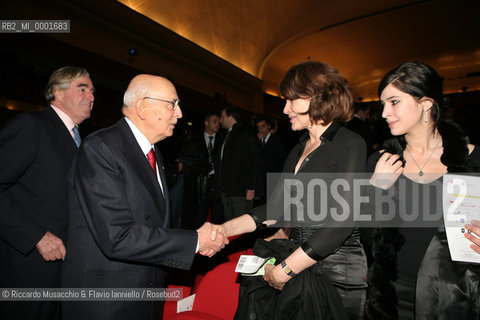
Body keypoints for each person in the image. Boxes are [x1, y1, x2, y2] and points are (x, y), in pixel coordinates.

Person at [61, 74, 227, 320]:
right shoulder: (101, 148)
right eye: (172, 104)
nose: (179, 114)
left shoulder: (153, 153)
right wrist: (194, 241)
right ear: (142, 106)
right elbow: (118, 236)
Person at [213, 61, 368, 319]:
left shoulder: (350, 143)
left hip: (337, 268)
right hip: (299, 259)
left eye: (291, 100)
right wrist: (223, 230)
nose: (285, 109)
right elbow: (275, 208)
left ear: (316, 96)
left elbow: (342, 221)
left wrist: (285, 270)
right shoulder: (298, 148)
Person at [366, 62, 480, 319]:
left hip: (453, 298)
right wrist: (375, 190)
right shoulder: (380, 162)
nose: (384, 113)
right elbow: (365, 238)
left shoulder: (473, 160)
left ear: (426, 104)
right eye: (382, 104)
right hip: (392, 298)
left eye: (394, 102)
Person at [0, 66, 94, 320]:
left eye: (92, 91)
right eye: (82, 89)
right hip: (27, 267)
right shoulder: (32, 126)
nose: (92, 96)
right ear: (57, 92)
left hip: (64, 267)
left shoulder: (81, 142)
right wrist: (35, 236)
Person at [217, 106, 263, 221]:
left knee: (241, 226)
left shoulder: (246, 134)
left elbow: (256, 161)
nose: (220, 120)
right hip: (227, 191)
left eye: (222, 117)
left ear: (231, 118)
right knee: (229, 225)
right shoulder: (224, 135)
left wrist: (252, 187)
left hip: (241, 191)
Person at [181, 112, 225, 228]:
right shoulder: (195, 140)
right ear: (206, 123)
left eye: (219, 122)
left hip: (218, 183)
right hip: (200, 183)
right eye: (214, 121)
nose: (218, 124)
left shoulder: (223, 140)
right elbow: (188, 160)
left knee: (217, 215)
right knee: (200, 213)